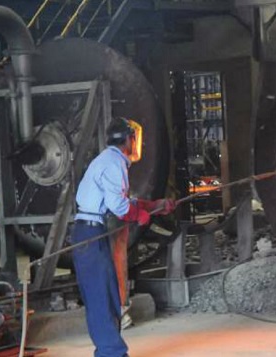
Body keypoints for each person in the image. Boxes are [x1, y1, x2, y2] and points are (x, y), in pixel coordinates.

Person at [71, 117, 175, 357]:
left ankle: (111, 350)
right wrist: (140, 215)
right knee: (101, 297)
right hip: (90, 235)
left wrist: (154, 205)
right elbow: (119, 207)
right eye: (135, 138)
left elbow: (121, 201)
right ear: (129, 139)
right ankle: (111, 353)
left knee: (107, 293)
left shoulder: (110, 161)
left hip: (92, 232)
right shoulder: (114, 163)